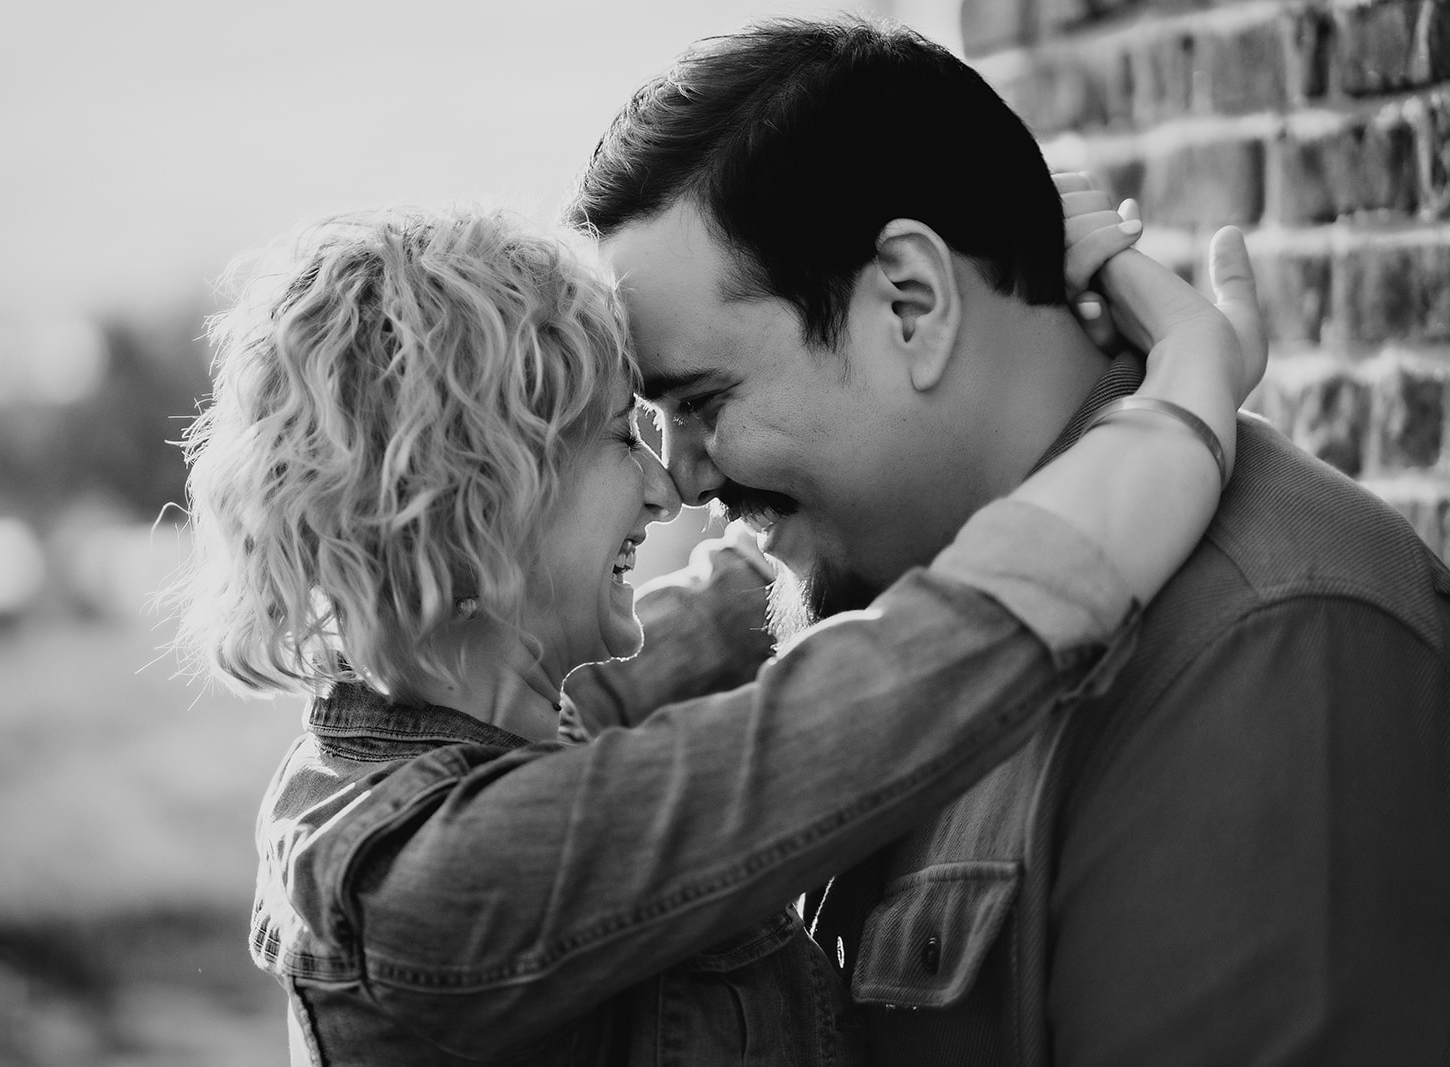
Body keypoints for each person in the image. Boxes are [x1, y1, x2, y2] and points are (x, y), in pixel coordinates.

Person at [170, 194, 1258, 1065]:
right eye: (614, 437)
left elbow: (730, 607)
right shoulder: (444, 876)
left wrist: (981, 315)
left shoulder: (455, 743)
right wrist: (1189, 391)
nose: (664, 488)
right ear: (476, 490)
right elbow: (908, 679)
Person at [563, 16, 1450, 1066]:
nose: (680, 476)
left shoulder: (1267, 640)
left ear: (912, 299)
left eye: (704, 400)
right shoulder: (878, 588)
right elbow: (483, 764)